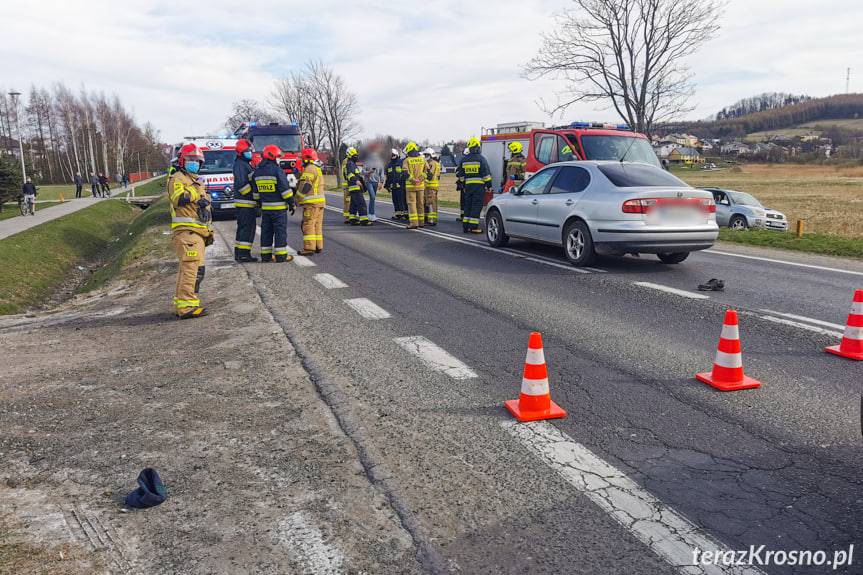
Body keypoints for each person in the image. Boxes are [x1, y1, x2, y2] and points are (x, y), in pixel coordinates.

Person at [168, 143, 213, 320]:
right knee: (191, 269)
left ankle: (182, 303)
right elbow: (178, 198)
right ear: (182, 161)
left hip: (196, 232)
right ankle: (186, 307)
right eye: (190, 160)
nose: (194, 163)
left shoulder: (195, 180)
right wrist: (196, 195)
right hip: (187, 232)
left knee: (195, 270)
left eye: (197, 160)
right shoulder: (178, 178)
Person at [252, 144, 295, 262]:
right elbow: (285, 191)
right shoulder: (277, 171)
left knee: (266, 232)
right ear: (273, 157)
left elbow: (256, 194)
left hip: (266, 210)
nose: (279, 159)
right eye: (278, 157)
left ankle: (266, 256)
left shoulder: (257, 172)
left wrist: (259, 204)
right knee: (280, 232)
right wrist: (292, 203)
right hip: (279, 210)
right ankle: (281, 256)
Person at [456, 137, 492, 234]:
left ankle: (466, 226)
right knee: (476, 206)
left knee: (468, 205)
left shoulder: (464, 160)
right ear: (477, 147)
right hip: (479, 187)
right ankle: (473, 227)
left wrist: (463, 185)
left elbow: (461, 175)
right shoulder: (481, 159)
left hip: (468, 187)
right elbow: (486, 174)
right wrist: (489, 185)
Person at [232, 139, 258, 262]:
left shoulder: (244, 164)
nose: (250, 153)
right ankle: (243, 254)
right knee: (247, 229)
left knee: (243, 228)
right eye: (247, 151)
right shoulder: (241, 165)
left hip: (246, 203)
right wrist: (254, 196)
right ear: (240, 152)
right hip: (246, 203)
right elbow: (242, 185)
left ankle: (239, 253)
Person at [296, 147, 325, 256]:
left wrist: (297, 198)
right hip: (320, 203)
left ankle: (309, 248)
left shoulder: (309, 169)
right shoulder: (317, 168)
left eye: (302, 159)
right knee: (317, 225)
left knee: (308, 224)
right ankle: (318, 246)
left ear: (307, 159)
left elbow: (306, 185)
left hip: (311, 204)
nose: (301, 161)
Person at [402, 141, 427, 229]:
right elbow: (427, 172)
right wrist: (420, 179)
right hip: (420, 186)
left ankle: (414, 223)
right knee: (420, 204)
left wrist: (413, 180)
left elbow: (405, 173)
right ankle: (421, 222)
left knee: (412, 204)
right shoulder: (422, 159)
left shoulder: (407, 160)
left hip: (411, 186)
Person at [343, 147, 370, 225]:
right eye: (354, 155)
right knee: (361, 204)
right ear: (350, 156)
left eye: (356, 155)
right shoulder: (350, 164)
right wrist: (356, 181)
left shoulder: (352, 164)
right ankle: (364, 221)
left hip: (353, 187)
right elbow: (350, 175)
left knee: (353, 204)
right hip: (355, 187)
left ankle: (353, 219)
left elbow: (356, 174)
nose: (356, 157)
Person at [385, 148, 407, 220]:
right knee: (395, 201)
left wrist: (404, 184)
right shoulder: (389, 165)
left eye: (393, 155)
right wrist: (387, 185)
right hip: (393, 187)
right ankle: (398, 214)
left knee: (402, 200)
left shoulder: (401, 163)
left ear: (397, 154)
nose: (392, 156)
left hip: (401, 186)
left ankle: (404, 214)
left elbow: (405, 174)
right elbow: (388, 176)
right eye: (391, 155)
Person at [423, 148, 441, 226]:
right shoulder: (435, 163)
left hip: (430, 186)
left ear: (431, 155)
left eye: (427, 155)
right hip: (432, 186)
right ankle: (432, 219)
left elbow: (429, 175)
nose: (425, 156)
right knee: (431, 203)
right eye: (425, 155)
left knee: (430, 203)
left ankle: (431, 220)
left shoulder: (432, 164)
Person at [364, 153, 383, 222]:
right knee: (372, 196)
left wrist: (381, 182)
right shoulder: (367, 162)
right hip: (368, 182)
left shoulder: (380, 162)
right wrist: (369, 172)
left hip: (376, 182)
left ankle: (371, 214)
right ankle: (371, 214)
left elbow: (381, 173)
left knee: (373, 198)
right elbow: (362, 171)